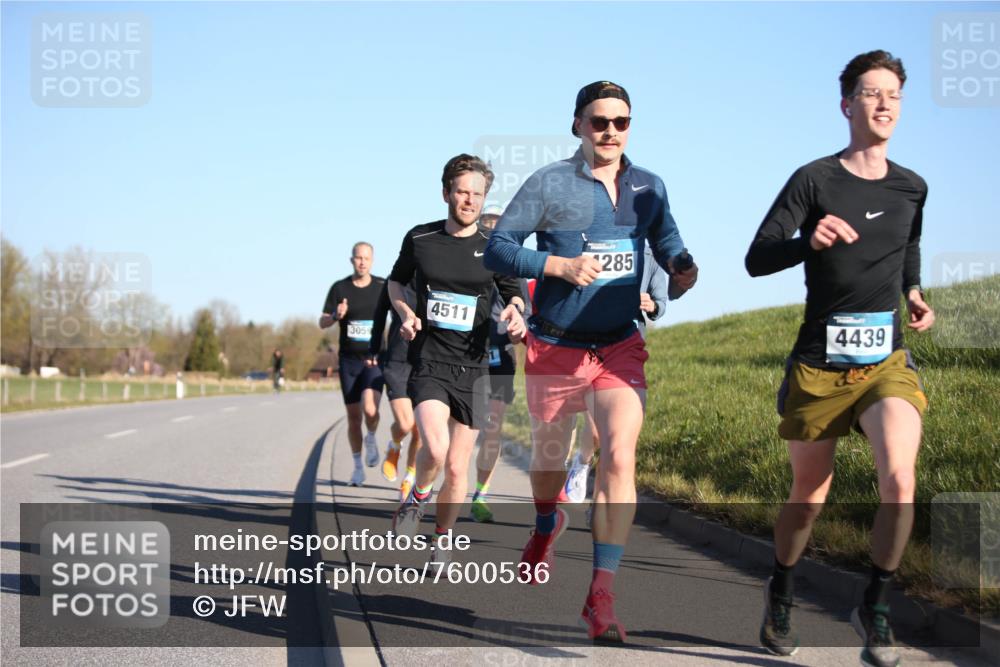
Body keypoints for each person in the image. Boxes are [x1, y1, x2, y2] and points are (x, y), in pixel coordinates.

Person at [485, 81, 698, 642]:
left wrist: (680, 264)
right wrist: (557, 266)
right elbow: (499, 247)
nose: (610, 132)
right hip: (555, 344)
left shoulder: (649, 185)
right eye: (599, 121)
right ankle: (544, 522)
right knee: (549, 461)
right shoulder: (549, 182)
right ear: (578, 124)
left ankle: (601, 592)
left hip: (618, 346)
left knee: (620, 456)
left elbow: (666, 235)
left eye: (621, 122)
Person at [745, 51, 933, 667]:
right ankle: (782, 589)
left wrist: (913, 293)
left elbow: (908, 249)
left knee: (899, 479)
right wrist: (808, 240)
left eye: (894, 95)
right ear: (847, 103)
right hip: (820, 365)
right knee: (810, 492)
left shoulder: (912, 186)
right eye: (872, 94)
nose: (884, 105)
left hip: (886, 363)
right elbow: (758, 257)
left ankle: (875, 606)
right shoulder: (815, 180)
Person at [388, 154, 526, 564]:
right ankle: (416, 498)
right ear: (446, 192)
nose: (469, 201)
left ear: (484, 198)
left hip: (476, 367)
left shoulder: (494, 248)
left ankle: (443, 539)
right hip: (430, 359)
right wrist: (406, 313)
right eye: (462, 192)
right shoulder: (421, 239)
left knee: (456, 467)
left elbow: (514, 290)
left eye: (477, 194)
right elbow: (396, 281)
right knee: (434, 444)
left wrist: (516, 311)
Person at [564, 243, 669, 505]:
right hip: (588, 343)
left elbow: (661, 301)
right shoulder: (592, 243)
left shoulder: (650, 256)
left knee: (617, 437)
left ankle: (602, 498)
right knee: (598, 430)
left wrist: (651, 304)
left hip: (626, 347)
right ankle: (582, 463)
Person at [470, 204, 532, 524]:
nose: (492, 229)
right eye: (487, 223)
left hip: (501, 354)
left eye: (498, 224)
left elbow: (525, 316)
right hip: (466, 352)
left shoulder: (514, 267)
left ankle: (480, 494)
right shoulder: (468, 259)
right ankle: (435, 484)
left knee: (492, 427)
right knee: (462, 427)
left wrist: (518, 327)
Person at [319, 242, 386, 487]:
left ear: (372, 260)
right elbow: (322, 322)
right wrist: (336, 315)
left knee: (371, 410)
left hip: (374, 359)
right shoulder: (340, 288)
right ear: (351, 260)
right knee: (353, 417)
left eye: (366, 258)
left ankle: (371, 437)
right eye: (358, 258)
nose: (362, 262)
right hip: (348, 361)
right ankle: (357, 468)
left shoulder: (382, 287)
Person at [368, 278, 422, 499]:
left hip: (424, 363)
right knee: (406, 423)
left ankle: (409, 479)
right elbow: (379, 315)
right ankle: (395, 445)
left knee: (420, 428)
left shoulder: (441, 275)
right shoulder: (396, 281)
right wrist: (374, 349)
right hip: (397, 362)